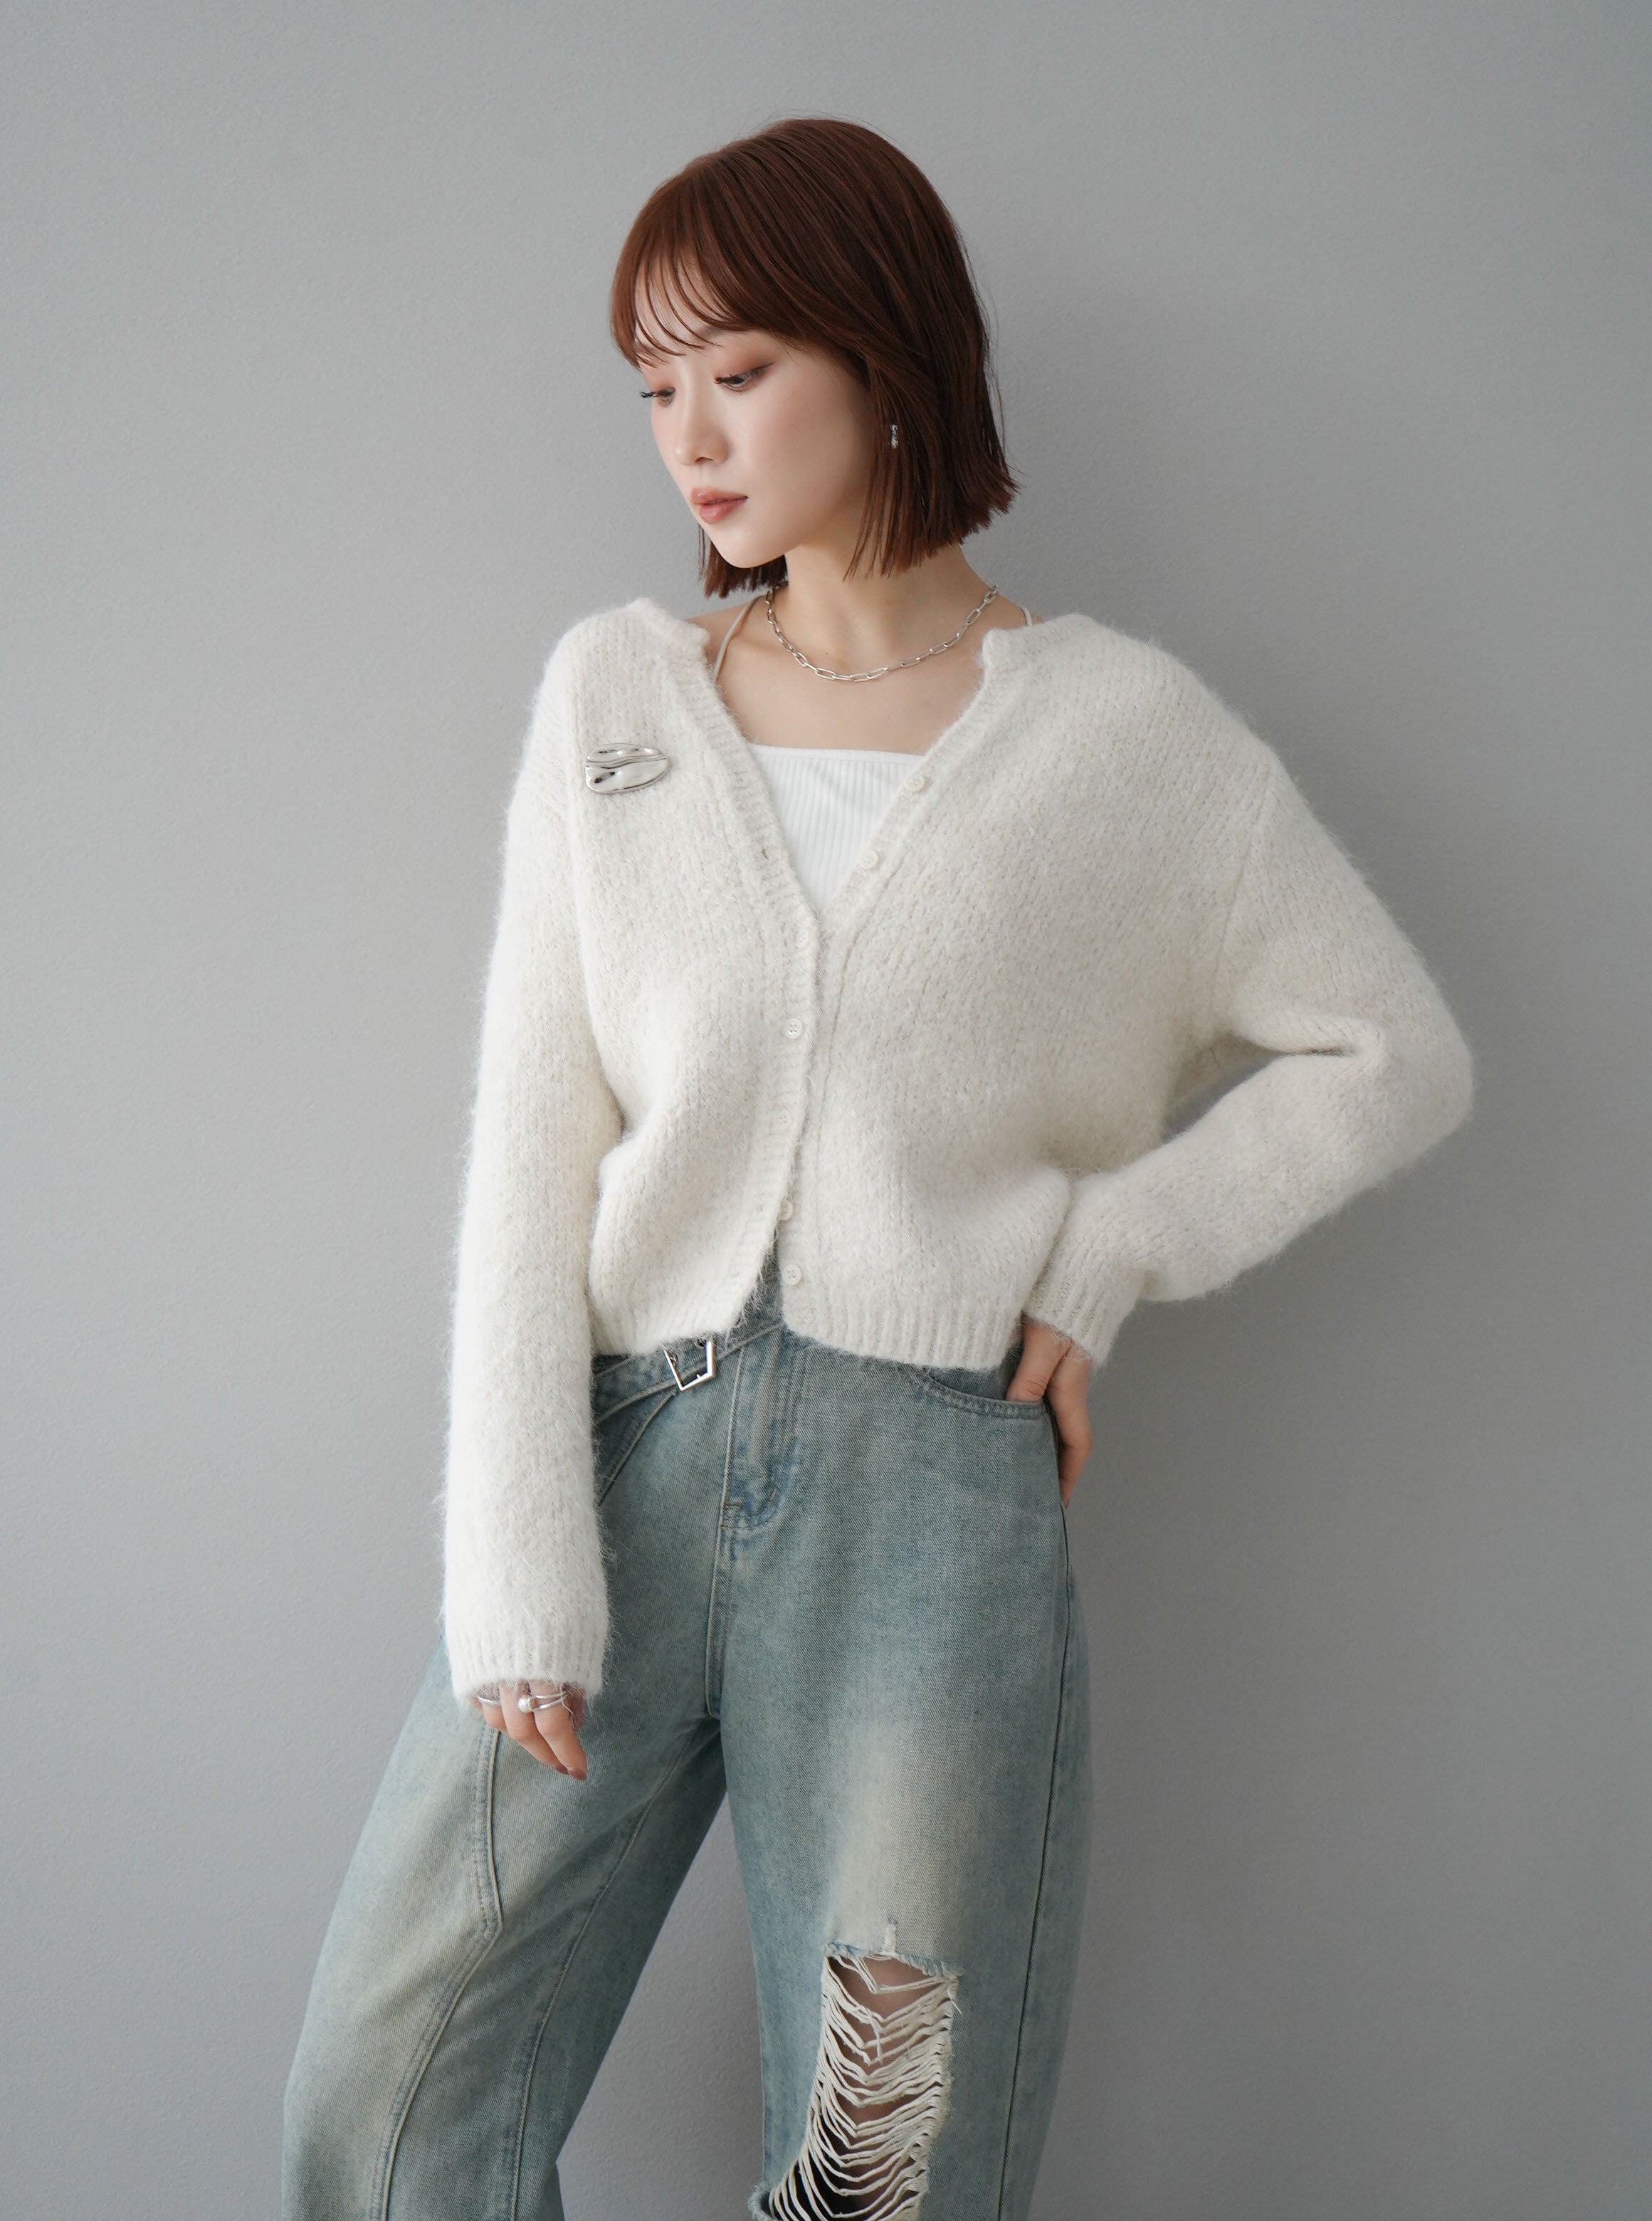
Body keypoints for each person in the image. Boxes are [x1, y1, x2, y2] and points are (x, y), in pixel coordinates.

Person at [281, 116, 1474, 2221]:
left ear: (885, 354)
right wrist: (516, 1572)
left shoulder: (1125, 741)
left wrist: (1113, 1249)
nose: (688, 437)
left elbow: (1396, 1056)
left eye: (737, 370)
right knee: (385, 2113)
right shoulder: (616, 697)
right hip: (619, 1471)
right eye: (654, 386)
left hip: (929, 1521)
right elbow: (531, 1151)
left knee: (881, 2171)